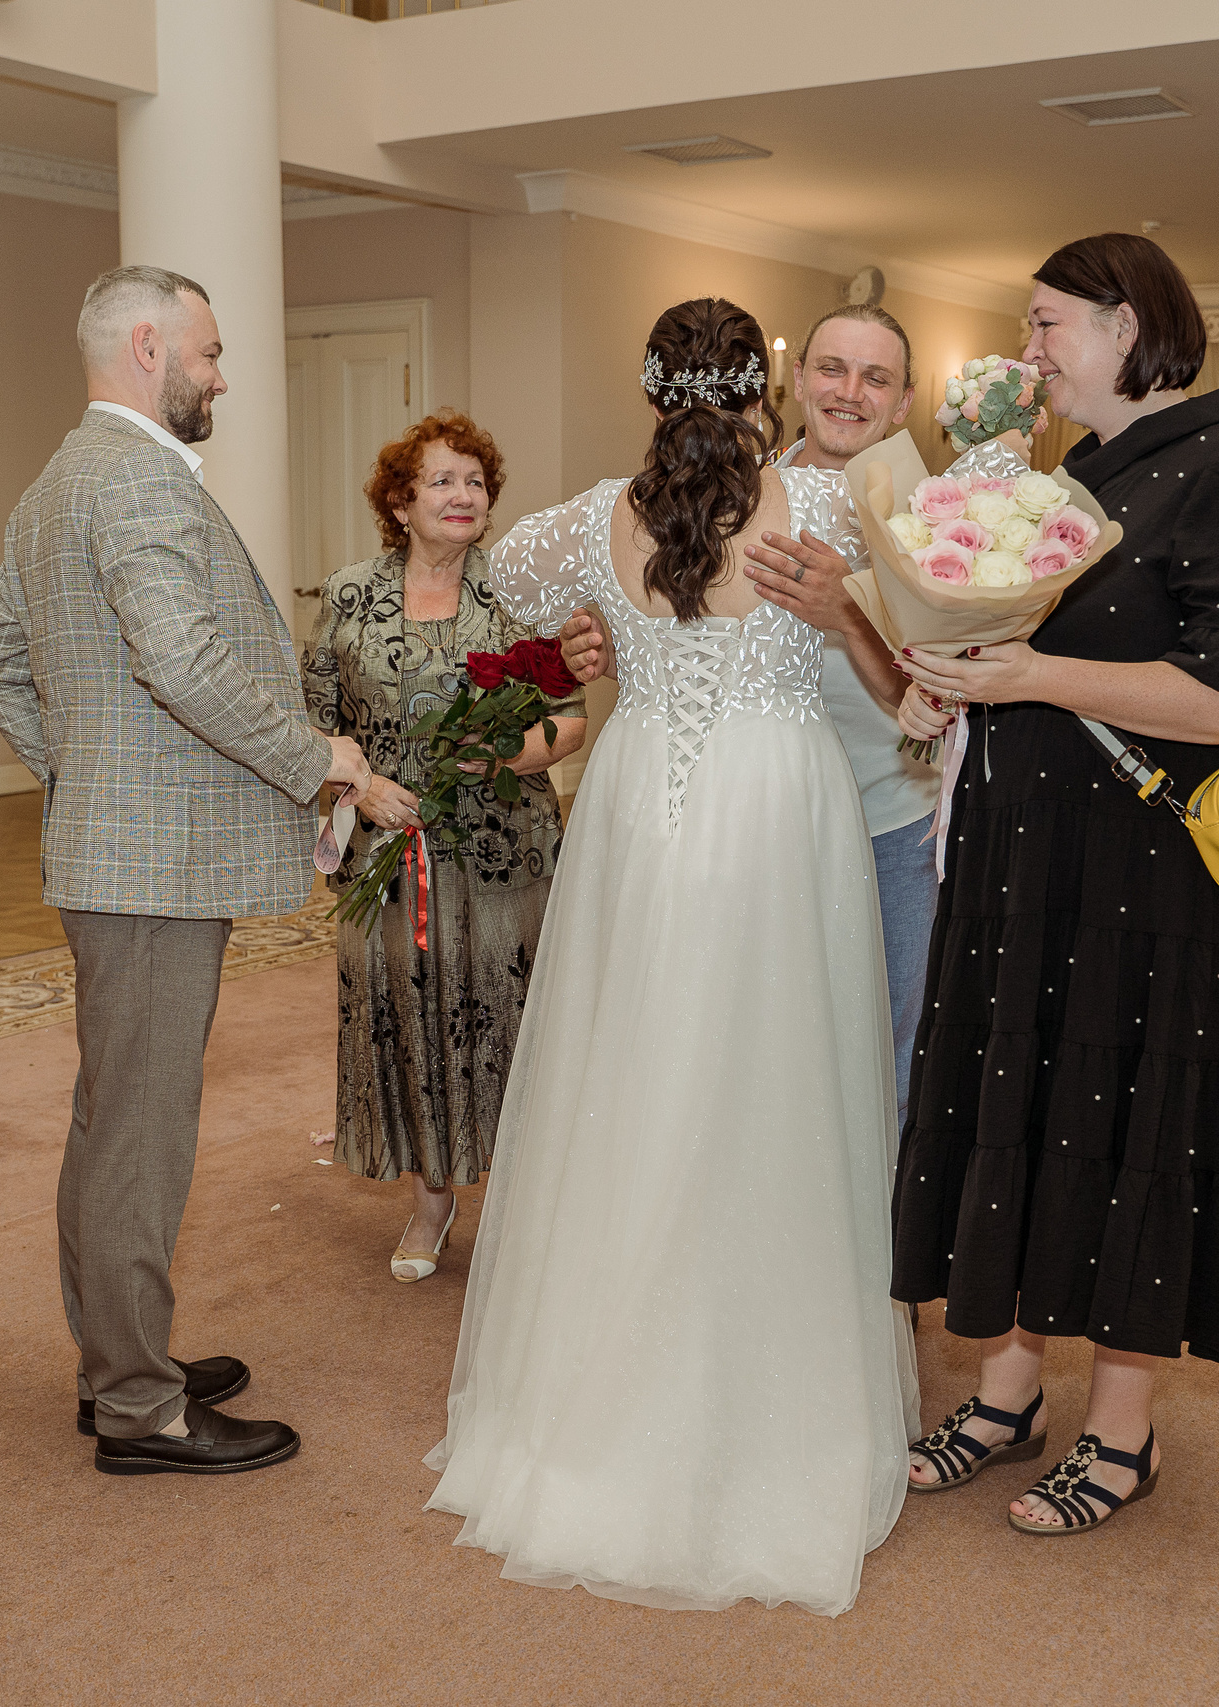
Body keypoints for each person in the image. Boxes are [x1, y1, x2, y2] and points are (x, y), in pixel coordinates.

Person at [425, 298, 919, 1618]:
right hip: (775, 805)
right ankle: (773, 1395)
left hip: (642, 799)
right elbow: (913, 679)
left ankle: (599, 1400)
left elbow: (494, 591)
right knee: (779, 1079)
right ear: (766, 383)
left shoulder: (589, 517)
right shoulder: (823, 515)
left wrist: (586, 641)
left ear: (648, 384)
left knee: (629, 1075)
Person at [888, 233, 1219, 1532]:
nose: (1030, 354)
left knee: (1132, 1120)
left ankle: (1122, 1434)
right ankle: (1011, 1389)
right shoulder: (1077, 476)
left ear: (1127, 327)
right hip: (1037, 863)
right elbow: (1024, 640)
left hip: (1159, 883)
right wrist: (953, 669)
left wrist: (1034, 678)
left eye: (1046, 325)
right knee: (1038, 1101)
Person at [0, 264, 371, 1477]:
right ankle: (140, 1409)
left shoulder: (56, 483)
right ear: (148, 348)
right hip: (147, 874)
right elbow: (183, 663)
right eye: (208, 351)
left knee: (113, 1123)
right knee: (141, 1135)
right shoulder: (137, 477)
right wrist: (319, 761)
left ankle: (119, 1359)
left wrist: (90, 782)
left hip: (122, 856)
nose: (221, 374)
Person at [557, 305, 944, 1126]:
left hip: (887, 814)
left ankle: (884, 1243)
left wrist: (847, 611)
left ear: (904, 400)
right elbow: (667, 628)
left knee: (888, 1054)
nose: (849, 392)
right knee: (744, 1053)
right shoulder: (716, 482)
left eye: (876, 378)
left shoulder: (917, 515)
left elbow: (929, 696)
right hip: (740, 824)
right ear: (793, 380)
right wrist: (595, 635)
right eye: (832, 369)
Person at [301, 412, 586, 1283]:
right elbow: (313, 726)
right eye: (442, 480)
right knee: (408, 1016)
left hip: (505, 854)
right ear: (400, 499)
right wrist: (356, 787)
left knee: (510, 1020)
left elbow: (571, 719)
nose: (464, 495)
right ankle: (431, 1203)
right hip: (390, 858)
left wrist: (507, 753)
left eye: (476, 480)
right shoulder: (349, 593)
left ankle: (522, 1203)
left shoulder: (522, 594)